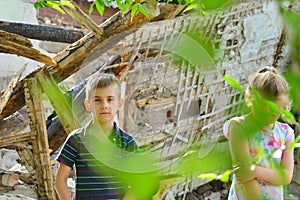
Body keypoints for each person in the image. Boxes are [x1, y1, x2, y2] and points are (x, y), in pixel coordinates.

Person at [55, 73, 138, 200]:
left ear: (120, 104)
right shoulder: (77, 139)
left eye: (110, 100)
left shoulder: (127, 143)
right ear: (88, 105)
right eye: (97, 100)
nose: (104, 105)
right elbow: (60, 180)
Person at [223, 66, 295, 199]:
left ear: (283, 107)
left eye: (273, 111)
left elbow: (285, 176)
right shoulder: (240, 127)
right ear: (251, 100)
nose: (266, 116)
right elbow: (245, 176)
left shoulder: (286, 133)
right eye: (262, 110)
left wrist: (255, 171)